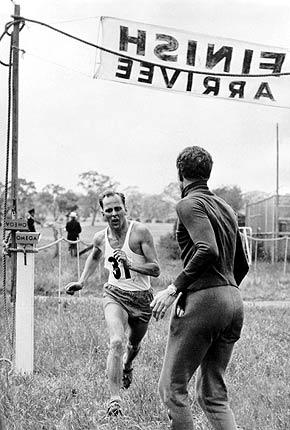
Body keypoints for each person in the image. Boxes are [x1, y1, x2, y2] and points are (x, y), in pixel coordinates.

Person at [151, 146, 249, 430]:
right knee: (213, 394)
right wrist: (224, 294)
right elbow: (242, 264)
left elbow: (208, 249)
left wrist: (174, 290)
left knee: (172, 389)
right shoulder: (227, 209)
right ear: (208, 173)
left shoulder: (187, 204)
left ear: (180, 173)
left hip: (205, 300)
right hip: (234, 301)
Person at [65, 191, 160, 416]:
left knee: (132, 345)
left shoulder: (140, 233)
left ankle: (127, 366)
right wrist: (81, 281)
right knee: (116, 341)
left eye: (118, 208)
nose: (114, 213)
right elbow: (96, 255)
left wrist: (132, 265)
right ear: (102, 213)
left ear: (125, 208)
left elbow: (155, 269)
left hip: (141, 298)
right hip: (114, 294)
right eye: (109, 210)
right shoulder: (101, 237)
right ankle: (114, 400)